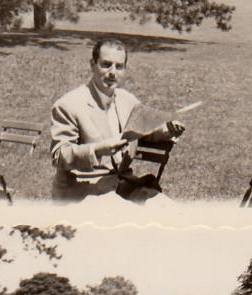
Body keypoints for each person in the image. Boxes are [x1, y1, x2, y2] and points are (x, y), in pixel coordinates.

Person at [50, 37, 183, 202]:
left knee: (168, 209)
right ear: (92, 65)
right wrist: (97, 150)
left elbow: (142, 129)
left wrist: (165, 131)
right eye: (106, 64)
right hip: (82, 192)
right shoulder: (69, 104)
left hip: (123, 186)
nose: (113, 72)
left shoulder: (127, 100)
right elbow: (59, 156)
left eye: (119, 67)